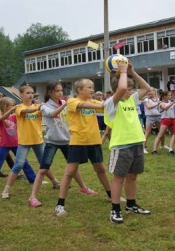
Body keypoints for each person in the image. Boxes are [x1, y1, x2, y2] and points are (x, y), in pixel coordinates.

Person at [28, 81, 97, 208]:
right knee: (43, 169)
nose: (60, 93)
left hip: (67, 141)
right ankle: (32, 197)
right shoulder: (44, 106)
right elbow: (52, 114)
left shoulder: (66, 103)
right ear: (50, 92)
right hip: (52, 142)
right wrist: (66, 104)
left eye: (61, 90)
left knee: (73, 168)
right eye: (57, 91)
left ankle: (83, 188)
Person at [54, 78, 112, 216]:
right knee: (70, 172)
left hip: (94, 141)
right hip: (78, 142)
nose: (92, 90)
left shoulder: (93, 102)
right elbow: (85, 106)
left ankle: (111, 196)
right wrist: (103, 105)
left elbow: (104, 106)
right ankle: (60, 205)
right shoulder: (72, 101)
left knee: (101, 170)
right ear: (79, 90)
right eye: (89, 87)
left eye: (92, 87)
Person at [104, 60, 151, 224]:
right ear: (115, 90)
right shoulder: (111, 103)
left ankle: (131, 205)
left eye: (131, 89)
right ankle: (115, 210)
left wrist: (132, 72)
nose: (130, 91)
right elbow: (122, 88)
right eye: (128, 88)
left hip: (136, 143)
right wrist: (123, 72)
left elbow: (147, 88)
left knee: (132, 177)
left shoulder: (131, 100)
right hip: (121, 146)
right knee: (119, 178)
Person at [0, 97, 36, 195]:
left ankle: (33, 179)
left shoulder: (15, 117)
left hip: (16, 144)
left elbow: (25, 113)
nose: (14, 107)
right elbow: (2, 118)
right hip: (4, 145)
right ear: (5, 107)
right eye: (12, 105)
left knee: (23, 162)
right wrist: (11, 110)